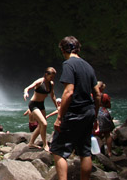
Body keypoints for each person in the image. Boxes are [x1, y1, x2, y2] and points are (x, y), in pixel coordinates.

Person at [50, 36, 101, 180]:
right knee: (85, 152)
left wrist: (60, 117)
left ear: (63, 49)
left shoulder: (69, 64)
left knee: (58, 150)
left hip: (74, 113)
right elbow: (97, 94)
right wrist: (95, 116)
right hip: (88, 112)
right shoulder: (88, 66)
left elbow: (69, 91)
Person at [23, 67, 58, 151]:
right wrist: (26, 93)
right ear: (46, 74)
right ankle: (45, 144)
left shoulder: (51, 84)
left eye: (53, 77)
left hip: (41, 105)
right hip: (33, 104)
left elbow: (52, 96)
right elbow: (27, 88)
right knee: (44, 124)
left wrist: (57, 107)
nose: (52, 78)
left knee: (41, 125)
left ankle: (31, 143)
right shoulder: (40, 81)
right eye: (51, 77)